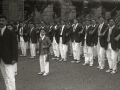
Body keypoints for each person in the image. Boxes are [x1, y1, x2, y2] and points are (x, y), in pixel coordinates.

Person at [0, 15, 18, 90]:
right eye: (0, 20)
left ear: (6, 21)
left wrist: (14, 58)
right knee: (5, 77)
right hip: (1, 59)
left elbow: (14, 46)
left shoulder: (11, 33)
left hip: (9, 59)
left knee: (10, 78)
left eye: (3, 20)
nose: (1, 22)